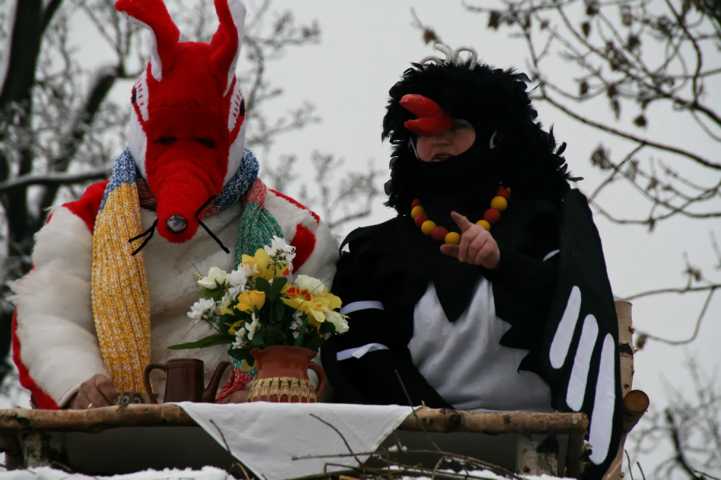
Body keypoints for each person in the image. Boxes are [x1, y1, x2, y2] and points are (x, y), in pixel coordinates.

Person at [10, 0, 337, 410]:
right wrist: (79, 383)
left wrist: (279, 388)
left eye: (205, 143)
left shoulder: (293, 232)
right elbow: (49, 316)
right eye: (165, 142)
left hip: (246, 432)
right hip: (112, 429)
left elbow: (321, 336)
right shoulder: (83, 223)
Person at [321, 45, 622, 478]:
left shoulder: (548, 222)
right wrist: (432, 422)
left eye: (456, 127)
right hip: (415, 448)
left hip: (540, 447)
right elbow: (357, 348)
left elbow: (567, 313)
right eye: (423, 134)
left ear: (496, 135)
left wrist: (504, 265)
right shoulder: (374, 251)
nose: (438, 141)